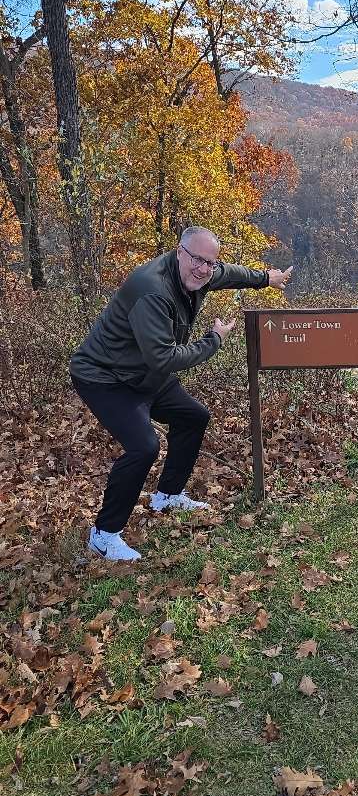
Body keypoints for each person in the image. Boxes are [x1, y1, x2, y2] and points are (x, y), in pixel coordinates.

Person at [70, 226, 292, 561]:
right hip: (105, 376)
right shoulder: (152, 290)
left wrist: (265, 278)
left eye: (209, 263)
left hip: (145, 373)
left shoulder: (199, 273)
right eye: (197, 260)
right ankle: (103, 534)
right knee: (144, 447)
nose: (204, 269)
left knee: (193, 417)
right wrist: (214, 339)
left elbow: (227, 272)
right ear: (179, 252)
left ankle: (168, 495)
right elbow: (164, 357)